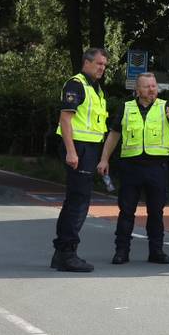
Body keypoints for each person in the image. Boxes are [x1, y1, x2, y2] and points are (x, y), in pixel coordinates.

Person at [98, 72, 169, 265]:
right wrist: (104, 159)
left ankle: (156, 251)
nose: (152, 89)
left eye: (154, 85)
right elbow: (114, 135)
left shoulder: (165, 106)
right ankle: (121, 251)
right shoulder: (126, 107)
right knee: (126, 212)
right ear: (137, 90)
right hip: (131, 168)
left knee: (156, 212)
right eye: (147, 86)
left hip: (157, 167)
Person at [51, 47, 109, 273]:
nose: (102, 68)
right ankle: (67, 253)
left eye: (104, 65)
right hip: (79, 149)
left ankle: (61, 253)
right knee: (78, 202)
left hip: (89, 150)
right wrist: (71, 151)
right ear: (86, 62)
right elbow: (65, 119)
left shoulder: (95, 88)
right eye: (98, 64)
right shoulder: (76, 84)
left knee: (76, 201)